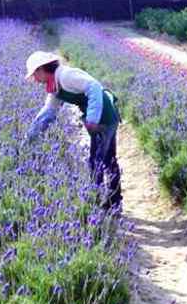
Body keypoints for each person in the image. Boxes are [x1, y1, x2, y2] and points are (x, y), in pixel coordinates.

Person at [24, 51, 122, 209]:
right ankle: (112, 201)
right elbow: (48, 111)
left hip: (104, 117)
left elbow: (95, 87)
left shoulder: (65, 76)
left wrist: (92, 118)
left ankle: (100, 202)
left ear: (42, 69)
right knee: (105, 158)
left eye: (34, 75)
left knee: (99, 160)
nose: (34, 80)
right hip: (97, 119)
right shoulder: (55, 85)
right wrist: (31, 136)